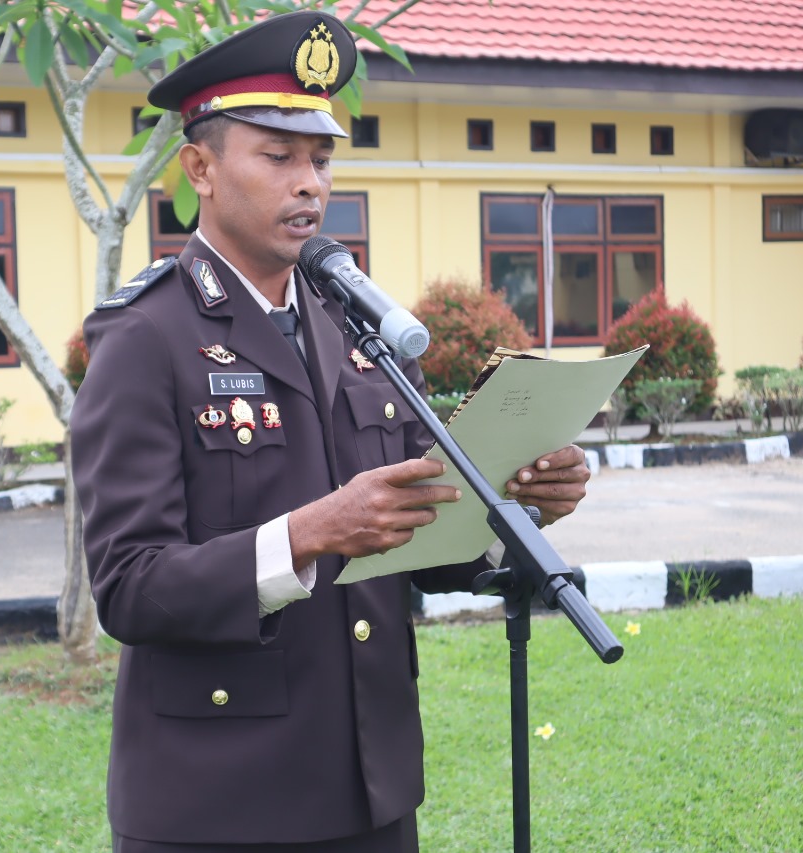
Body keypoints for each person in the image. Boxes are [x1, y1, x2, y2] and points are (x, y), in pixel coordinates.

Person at [70, 11, 592, 852]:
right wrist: (309, 534)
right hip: (220, 798)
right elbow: (130, 585)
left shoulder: (360, 325)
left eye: (320, 158)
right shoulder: (146, 338)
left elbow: (416, 542)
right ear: (199, 166)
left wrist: (513, 507)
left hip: (368, 782)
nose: (308, 182)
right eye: (277, 157)